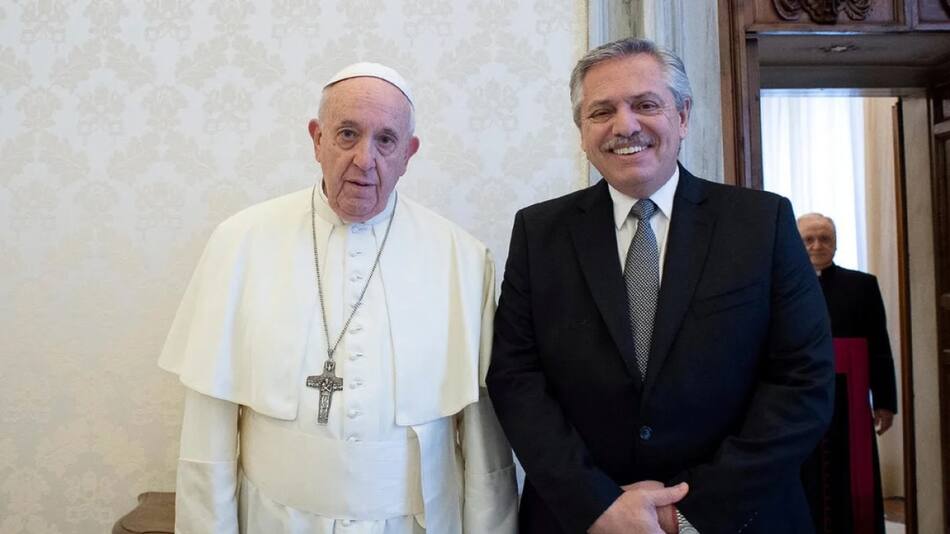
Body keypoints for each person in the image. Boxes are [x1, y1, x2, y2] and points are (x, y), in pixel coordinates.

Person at [486, 37, 835, 534]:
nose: (624, 125)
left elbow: (803, 382)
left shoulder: (762, 223)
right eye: (601, 111)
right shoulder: (539, 233)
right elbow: (516, 379)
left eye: (646, 105)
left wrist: (686, 511)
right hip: (582, 520)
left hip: (739, 517)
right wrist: (599, 505)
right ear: (581, 131)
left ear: (684, 116)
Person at [158, 62, 518, 534]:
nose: (365, 159)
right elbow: (207, 440)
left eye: (386, 140)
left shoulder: (463, 258)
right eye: (347, 134)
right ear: (317, 139)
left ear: (409, 153)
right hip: (277, 520)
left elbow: (485, 446)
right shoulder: (240, 242)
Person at [797, 212, 899, 534]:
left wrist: (885, 400)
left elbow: (879, 346)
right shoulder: (783, 285)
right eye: (809, 239)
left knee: (850, 473)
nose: (817, 245)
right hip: (801, 399)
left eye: (825, 238)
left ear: (836, 243)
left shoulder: (862, 286)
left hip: (849, 402)